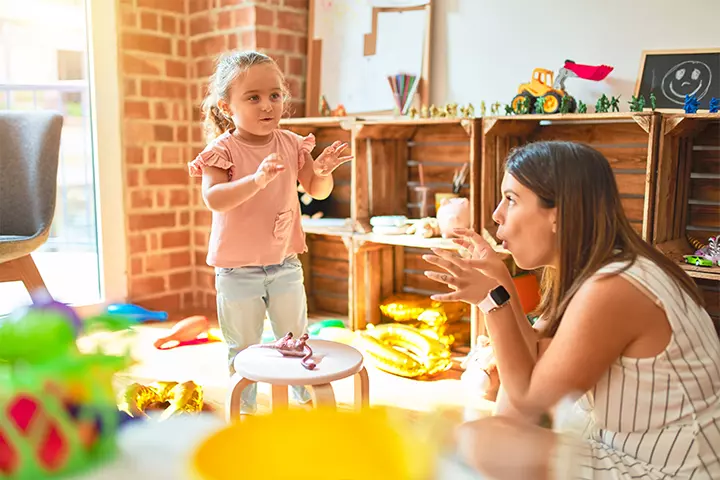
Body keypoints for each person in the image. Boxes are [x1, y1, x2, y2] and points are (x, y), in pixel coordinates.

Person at [423, 141, 720, 479]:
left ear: (558, 213)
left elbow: (529, 399)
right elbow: (534, 356)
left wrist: (493, 300)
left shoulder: (614, 287)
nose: (496, 215)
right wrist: (500, 279)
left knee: (475, 439)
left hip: (673, 470)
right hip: (635, 448)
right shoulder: (605, 268)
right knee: (490, 435)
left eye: (511, 199)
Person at [188, 50, 352, 414]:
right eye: (253, 97)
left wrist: (322, 171)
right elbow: (214, 198)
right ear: (227, 107)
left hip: (284, 263)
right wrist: (257, 179)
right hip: (236, 270)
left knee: (294, 338)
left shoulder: (292, 143)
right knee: (242, 346)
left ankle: (303, 398)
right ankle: (243, 409)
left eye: (275, 95)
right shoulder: (221, 151)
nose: (268, 106)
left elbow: (316, 189)